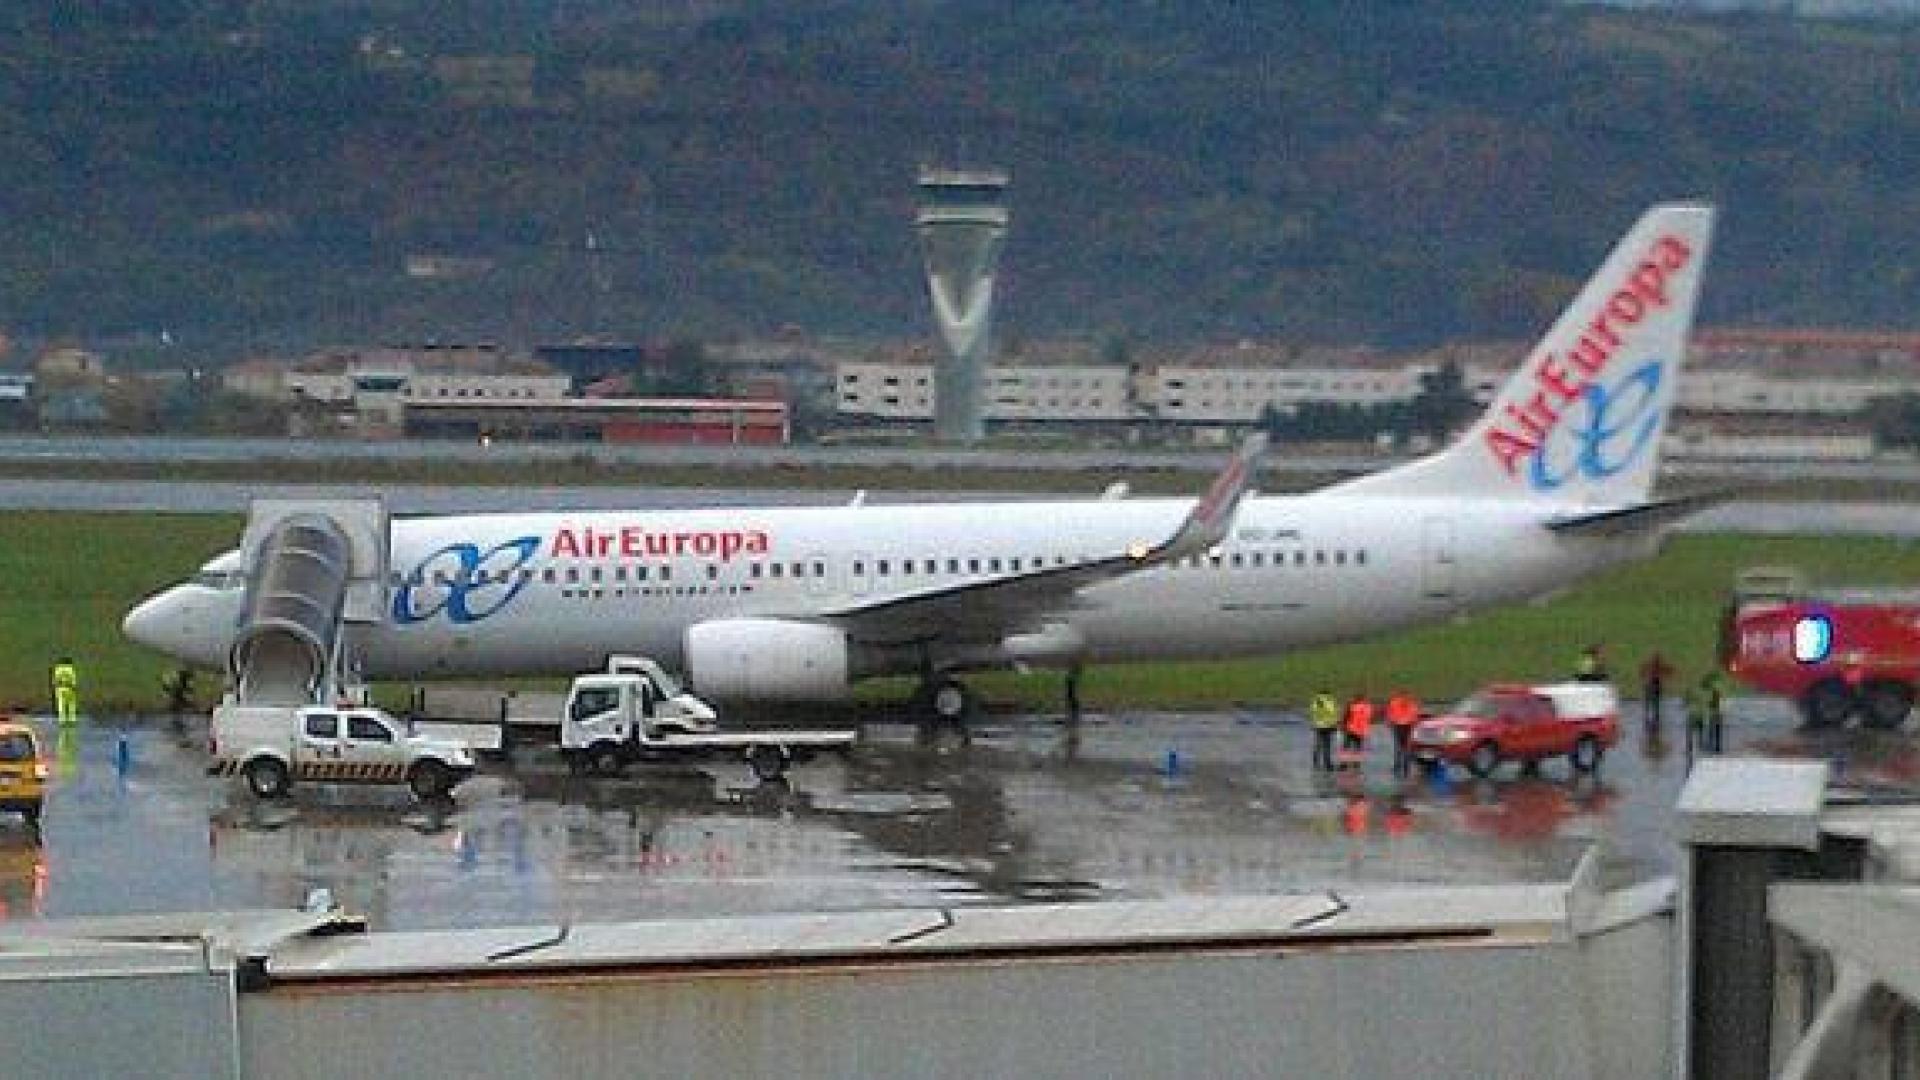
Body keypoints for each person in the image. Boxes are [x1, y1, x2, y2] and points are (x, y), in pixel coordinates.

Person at [1386, 688, 1421, 778]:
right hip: (1406, 725)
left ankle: (1398, 766)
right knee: (1405, 747)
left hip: (1399, 725)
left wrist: (1390, 722)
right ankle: (1405, 768)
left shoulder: (1395, 702)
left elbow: (1390, 713)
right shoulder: (1411, 703)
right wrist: (1415, 724)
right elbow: (1415, 716)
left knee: (1399, 746)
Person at [1640, 651, 1674, 731]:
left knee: (1653, 705)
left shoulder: (1653, 665)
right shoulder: (1652, 666)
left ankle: (1651, 720)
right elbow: (1668, 671)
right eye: (1657, 658)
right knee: (1653, 705)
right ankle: (1652, 720)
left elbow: (1668, 670)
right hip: (1652, 687)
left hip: (1654, 687)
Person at [1309, 688, 1340, 772]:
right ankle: (1327, 764)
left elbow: (1313, 712)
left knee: (1318, 745)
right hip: (1328, 725)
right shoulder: (1330, 700)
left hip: (1318, 725)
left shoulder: (1316, 700)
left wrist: (1313, 722)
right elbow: (1333, 713)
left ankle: (1316, 763)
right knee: (1327, 746)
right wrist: (1336, 724)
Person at [1341, 691, 1375, 769]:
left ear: (1356, 699)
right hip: (1361, 730)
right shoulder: (1368, 707)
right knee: (1358, 747)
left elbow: (1346, 716)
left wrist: (1343, 725)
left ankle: (1344, 764)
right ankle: (1356, 764)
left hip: (1351, 728)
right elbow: (1370, 718)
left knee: (1346, 746)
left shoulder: (1352, 705)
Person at [1701, 670, 1727, 752]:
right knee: (1716, 731)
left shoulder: (1714, 695)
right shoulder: (1717, 695)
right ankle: (1717, 747)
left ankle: (1713, 746)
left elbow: (1710, 705)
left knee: (1712, 731)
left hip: (1715, 714)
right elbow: (1721, 704)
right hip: (1717, 714)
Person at [51, 657, 79, 726]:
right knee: (71, 705)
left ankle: (62, 721)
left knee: (61, 705)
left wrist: (55, 688)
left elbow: (55, 681)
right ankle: (71, 721)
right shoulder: (71, 669)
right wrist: (74, 686)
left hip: (61, 689)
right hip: (70, 689)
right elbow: (73, 680)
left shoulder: (58, 669)